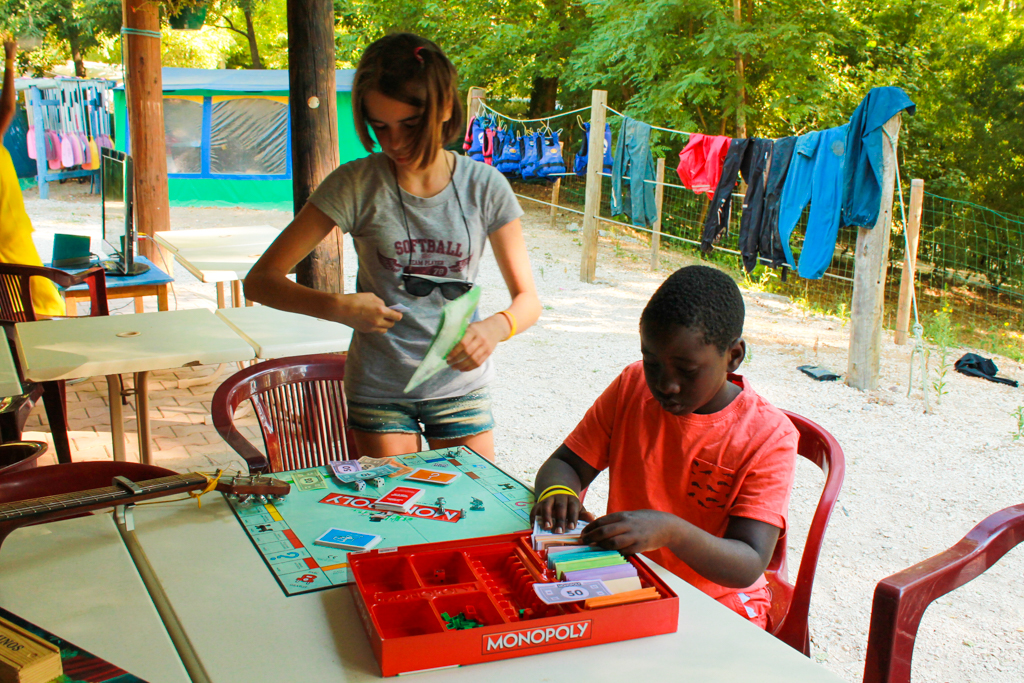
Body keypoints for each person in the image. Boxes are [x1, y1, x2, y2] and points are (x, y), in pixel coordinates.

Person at [245, 33, 540, 461]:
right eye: (379, 127)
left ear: (444, 111)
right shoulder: (355, 184)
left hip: (460, 385)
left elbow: (528, 300)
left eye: (409, 126)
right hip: (380, 389)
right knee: (399, 514)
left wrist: (495, 328)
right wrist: (338, 307)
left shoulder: (485, 187)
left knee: (470, 513)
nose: (394, 143)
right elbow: (260, 282)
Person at [531, 265, 798, 627]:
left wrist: (671, 531)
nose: (665, 385)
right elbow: (564, 463)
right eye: (652, 363)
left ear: (733, 356)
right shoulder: (632, 386)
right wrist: (560, 491)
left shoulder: (768, 436)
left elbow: (748, 561)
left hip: (721, 602)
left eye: (687, 371)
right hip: (629, 578)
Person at [0, 37, 66, 317]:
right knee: (39, 305)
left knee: (22, 304)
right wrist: (10, 61)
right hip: (10, 241)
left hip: (13, 236)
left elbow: (6, 109)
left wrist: (10, 62)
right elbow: (7, 109)